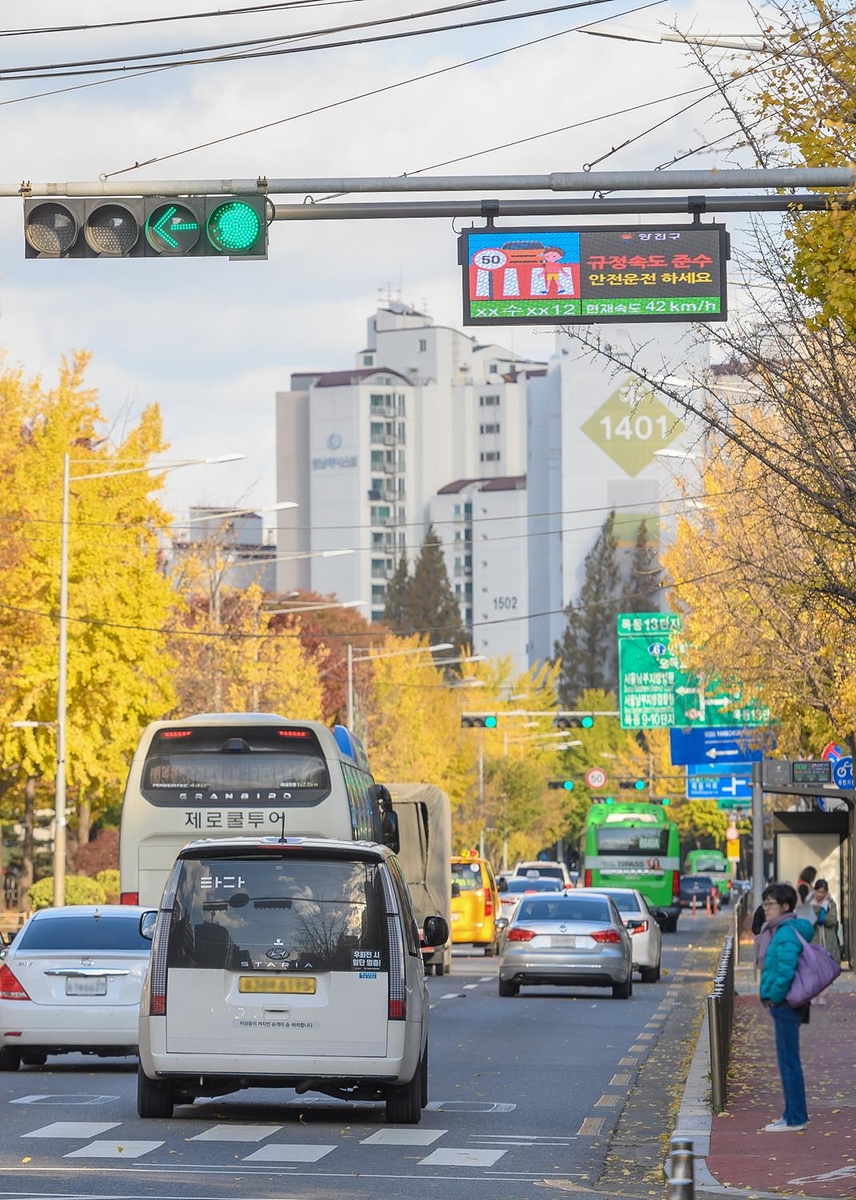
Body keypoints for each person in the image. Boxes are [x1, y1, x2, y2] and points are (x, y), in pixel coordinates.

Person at [756, 882, 815, 1131]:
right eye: (765, 903)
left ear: (786, 906)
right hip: (787, 1003)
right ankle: (791, 1113)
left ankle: (795, 1118)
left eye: (770, 904)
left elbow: (785, 970)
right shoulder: (781, 929)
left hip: (786, 1003)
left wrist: (775, 996)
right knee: (788, 1060)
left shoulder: (785, 932)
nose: (766, 908)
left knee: (788, 1061)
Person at [811, 879, 841, 1004]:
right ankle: (814, 994)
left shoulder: (830, 904)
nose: (820, 895)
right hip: (814, 940)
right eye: (818, 892)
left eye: (823, 892)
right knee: (814, 968)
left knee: (827, 968)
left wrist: (820, 915)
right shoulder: (809, 904)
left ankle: (822, 994)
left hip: (828, 940)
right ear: (815, 891)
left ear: (826, 892)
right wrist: (817, 913)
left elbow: (833, 920)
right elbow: (808, 920)